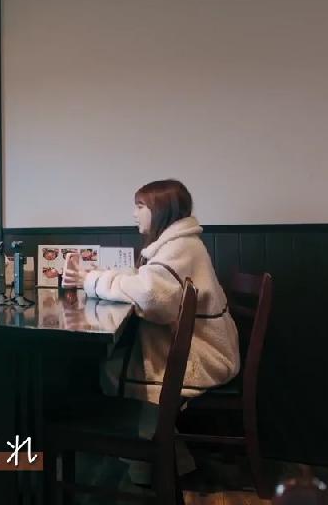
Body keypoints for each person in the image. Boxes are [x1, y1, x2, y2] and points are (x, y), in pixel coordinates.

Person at [61, 179, 240, 484]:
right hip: (198, 345)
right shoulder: (177, 244)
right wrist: (95, 277)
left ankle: (144, 464)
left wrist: (91, 280)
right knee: (117, 365)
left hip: (204, 354)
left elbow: (151, 296)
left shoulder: (181, 247)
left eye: (140, 206)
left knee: (114, 368)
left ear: (161, 210)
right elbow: (144, 279)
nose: (134, 214)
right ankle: (169, 461)